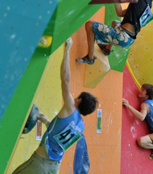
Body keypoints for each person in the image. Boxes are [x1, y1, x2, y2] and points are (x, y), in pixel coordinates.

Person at [13, 38, 98, 174]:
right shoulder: (81, 127)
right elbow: (58, 138)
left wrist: (68, 50)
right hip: (54, 168)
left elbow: (65, 79)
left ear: (79, 101)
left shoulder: (70, 108)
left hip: (40, 164)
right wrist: (46, 121)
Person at [76, 0, 153, 65]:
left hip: (122, 37)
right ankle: (107, 49)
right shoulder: (146, 5)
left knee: (89, 25)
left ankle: (90, 58)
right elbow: (119, 13)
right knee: (115, 23)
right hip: (129, 39)